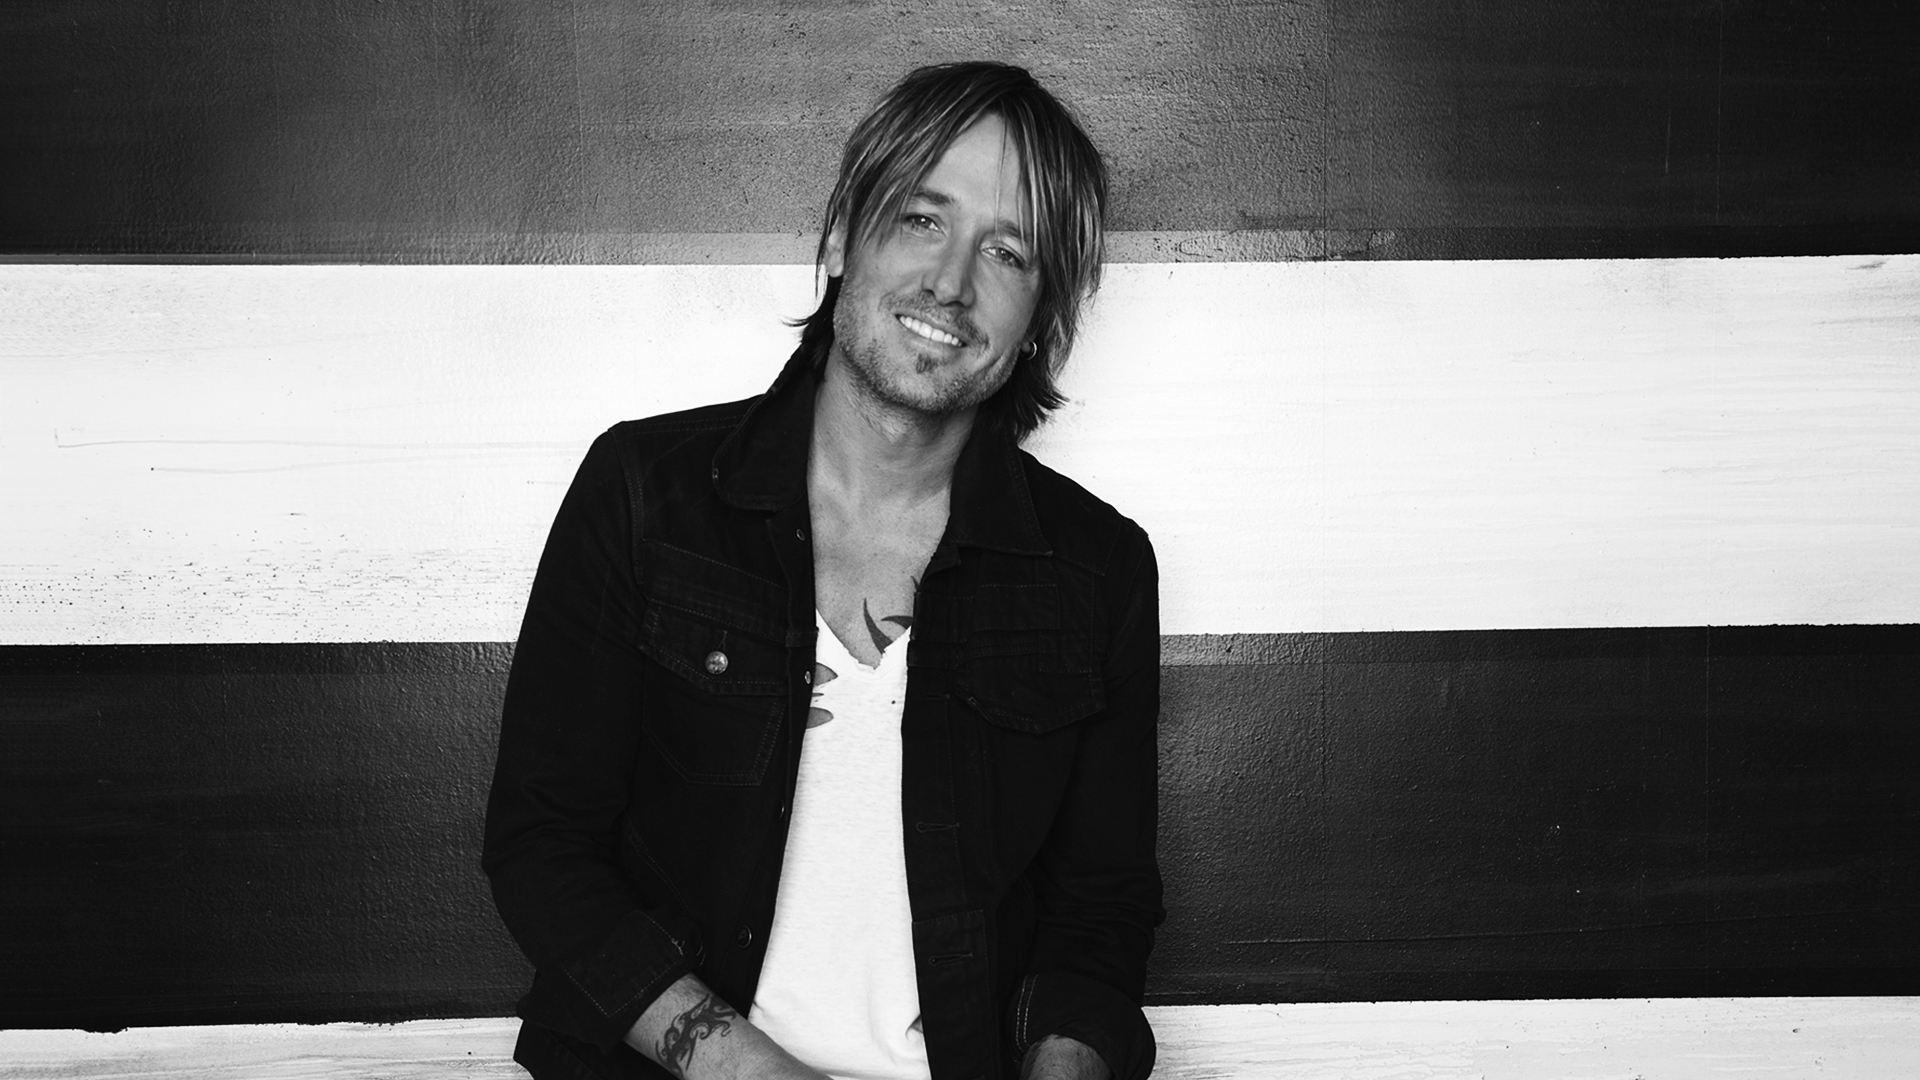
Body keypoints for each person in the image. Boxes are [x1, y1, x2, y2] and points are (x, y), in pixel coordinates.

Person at [483, 61, 1162, 1080]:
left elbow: (1099, 912)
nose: (951, 283)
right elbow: (542, 849)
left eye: (1008, 252)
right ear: (845, 235)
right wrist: (747, 1069)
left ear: (1040, 316)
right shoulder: (646, 494)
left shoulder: (1098, 569)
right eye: (923, 220)